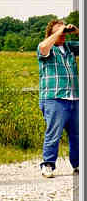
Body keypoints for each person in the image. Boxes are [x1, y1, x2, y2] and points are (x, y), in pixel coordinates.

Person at [37, 20, 79, 178]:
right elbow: (43, 48)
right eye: (58, 32)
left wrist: (76, 31)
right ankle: (48, 164)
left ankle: (78, 163)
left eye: (63, 32)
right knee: (53, 133)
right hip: (54, 97)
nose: (62, 35)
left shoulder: (69, 47)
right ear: (51, 34)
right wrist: (58, 33)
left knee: (77, 134)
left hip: (74, 96)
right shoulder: (46, 47)